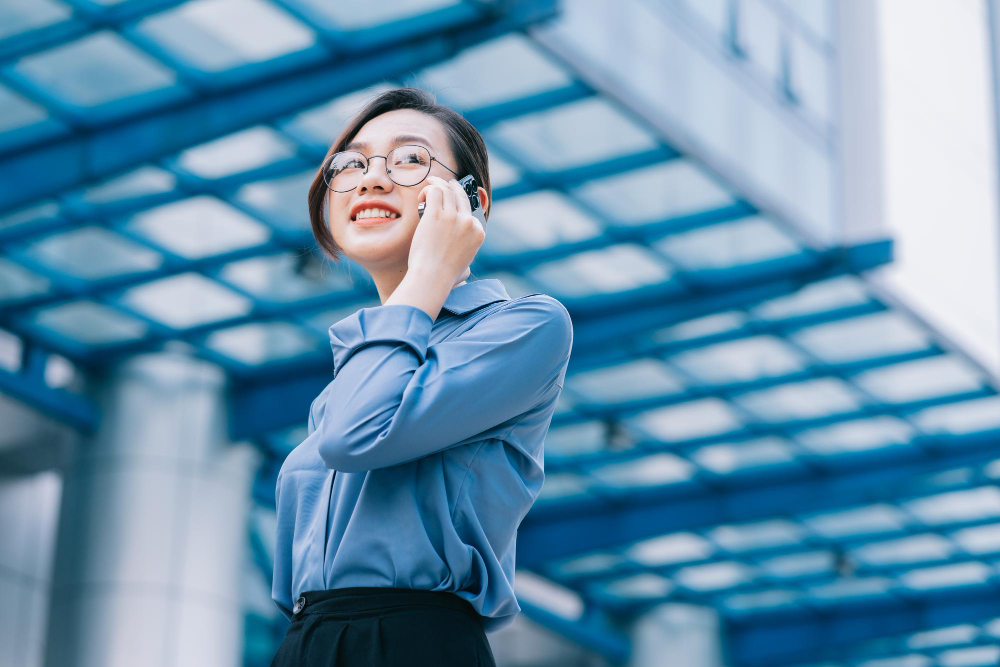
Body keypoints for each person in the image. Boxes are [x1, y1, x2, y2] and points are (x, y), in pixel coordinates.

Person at [269, 87, 573, 666]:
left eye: (409, 159)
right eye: (351, 163)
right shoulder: (357, 366)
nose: (371, 179)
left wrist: (435, 269)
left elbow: (353, 438)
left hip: (414, 643)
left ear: (470, 202)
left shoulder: (528, 326)